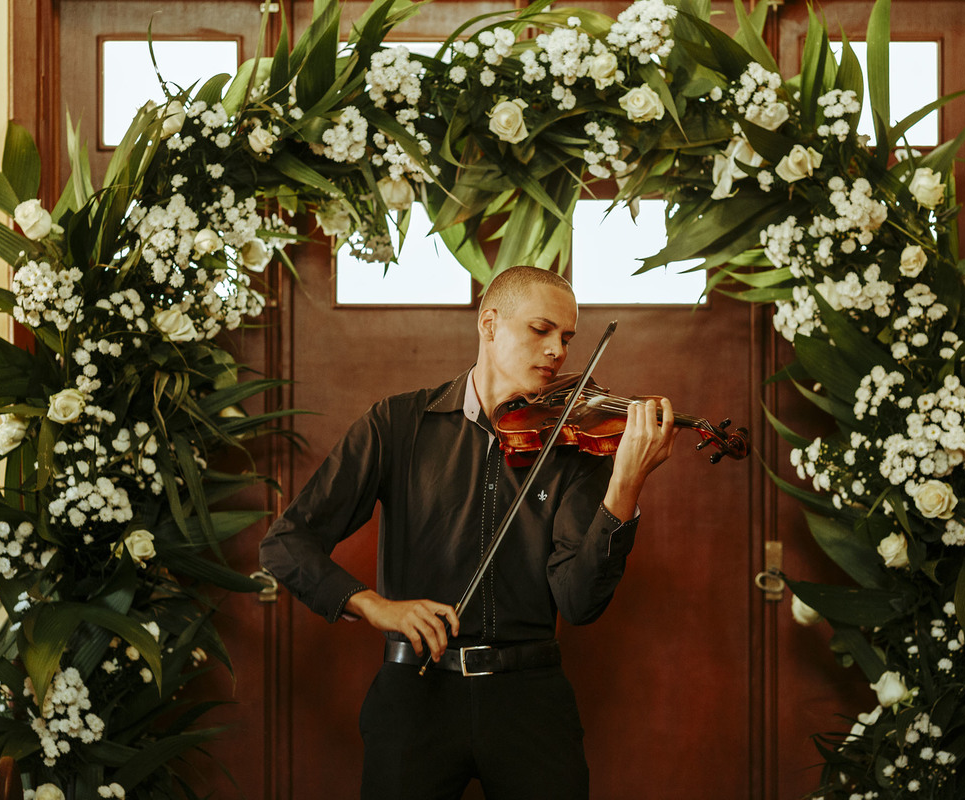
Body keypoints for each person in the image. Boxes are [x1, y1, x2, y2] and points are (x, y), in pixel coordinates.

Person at [259, 265, 677, 799]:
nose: (558, 351)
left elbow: (577, 602)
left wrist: (624, 490)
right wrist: (374, 605)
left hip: (530, 698)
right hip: (415, 693)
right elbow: (286, 542)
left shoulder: (574, 445)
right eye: (541, 329)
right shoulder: (398, 423)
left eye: (567, 338)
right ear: (488, 324)